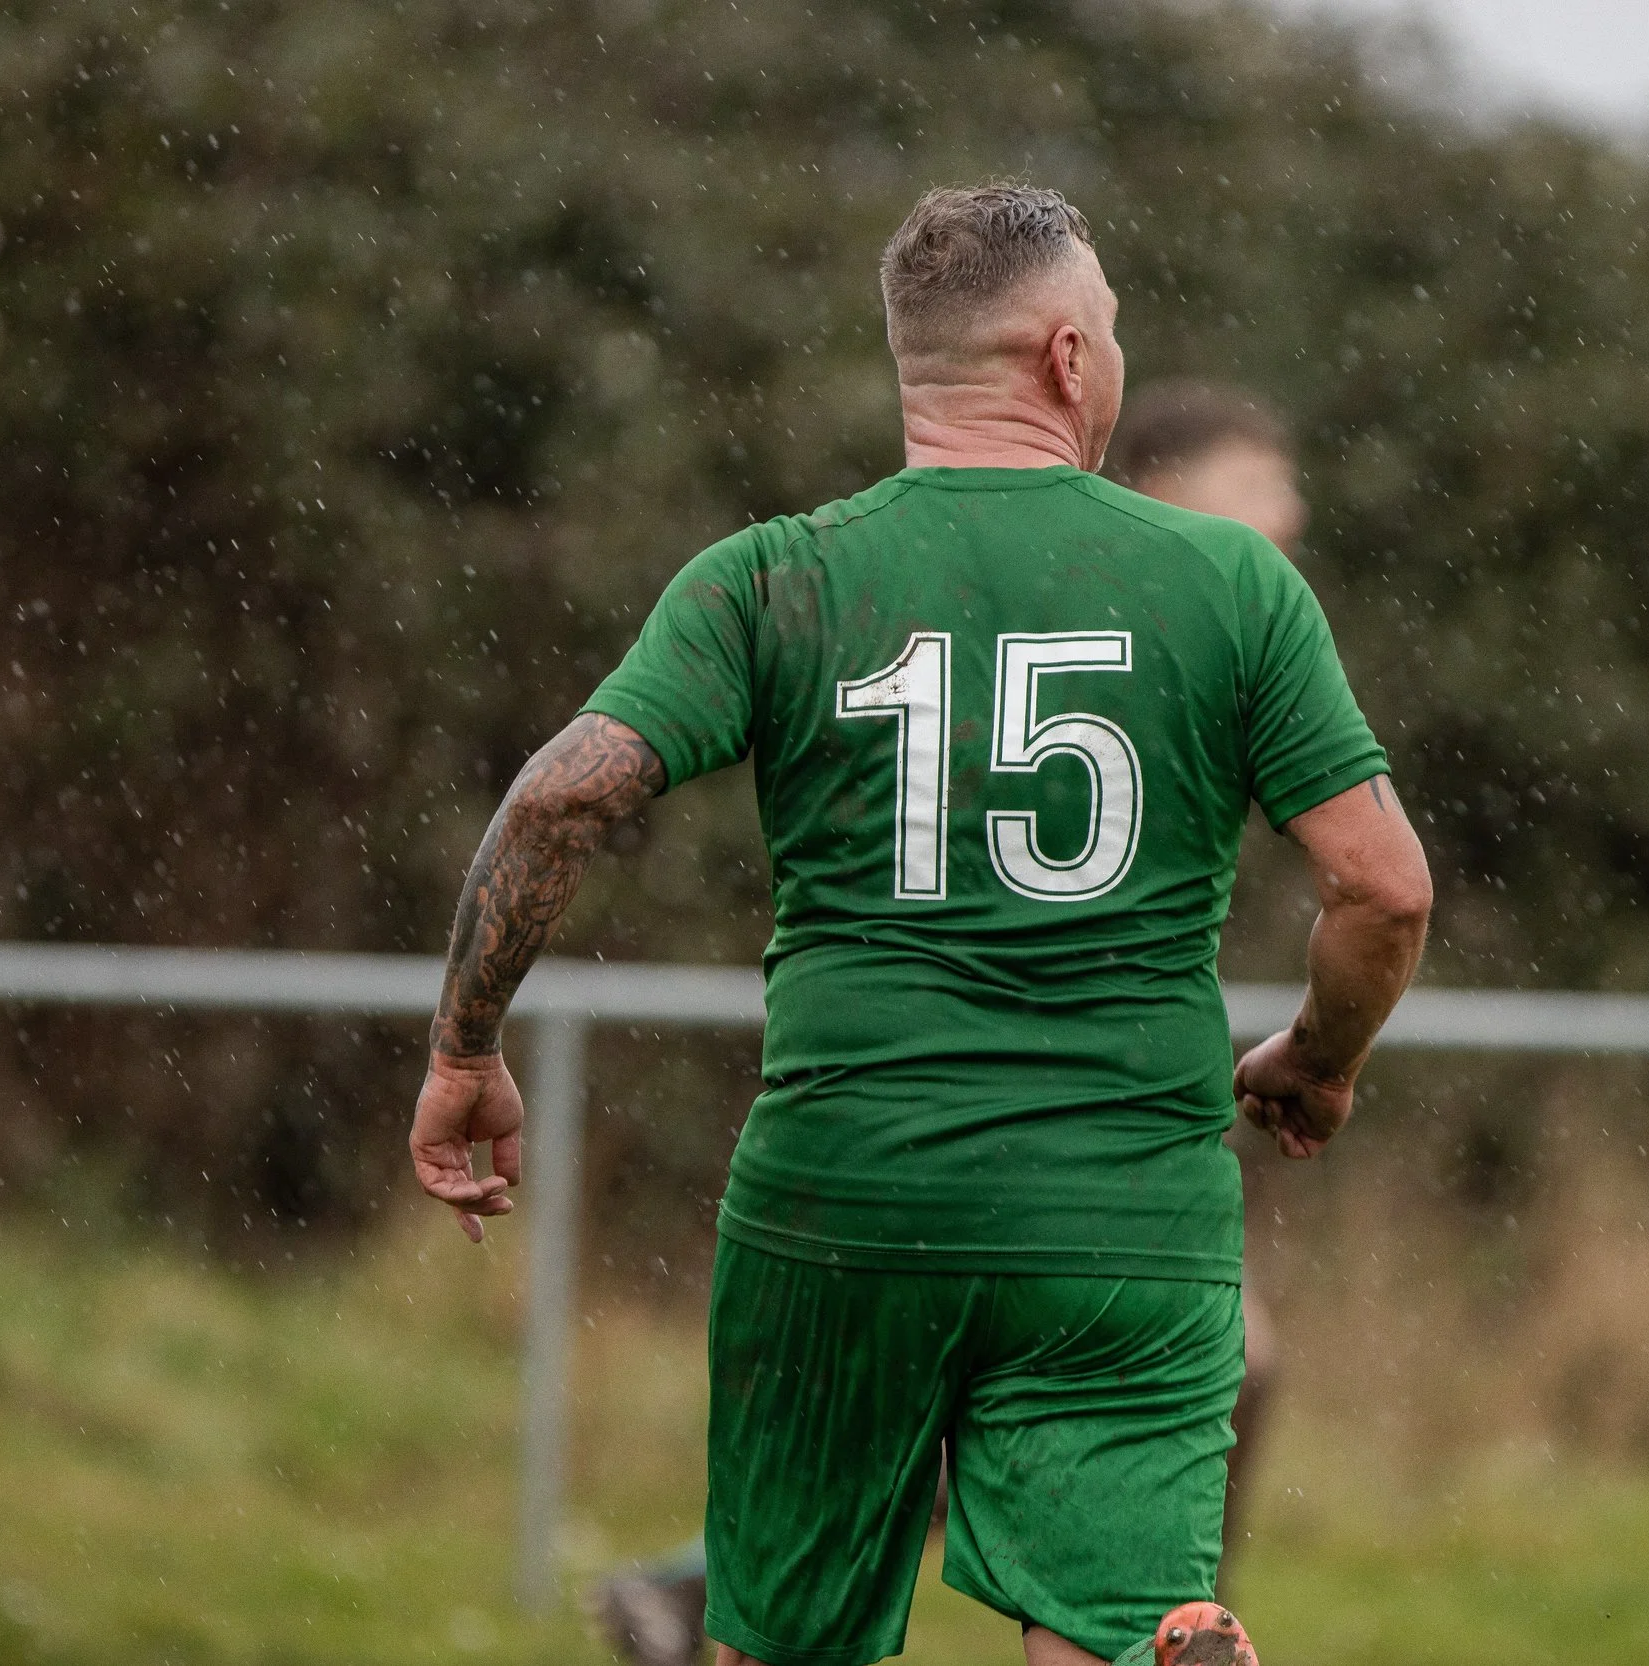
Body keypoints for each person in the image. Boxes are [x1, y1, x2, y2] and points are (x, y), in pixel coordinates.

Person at [410, 183, 1431, 1666]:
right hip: (1124, 1217)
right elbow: (1382, 885)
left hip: (844, 1199)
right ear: (1072, 359)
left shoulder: (770, 579)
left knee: (784, 1635)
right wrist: (1322, 1058)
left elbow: (559, 801)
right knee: (1122, 1622)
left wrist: (464, 1048)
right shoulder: (1233, 585)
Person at [590, 378, 1321, 1666]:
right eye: (1249, 515)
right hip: (1003, 1134)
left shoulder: (1204, 631)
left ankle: (718, 1593)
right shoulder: (1082, 622)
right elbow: (1385, 885)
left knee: (1201, 1365)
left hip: (993, 1140)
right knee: (1119, 1368)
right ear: (1143, 501)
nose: (1278, 544)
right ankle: (1137, 1606)